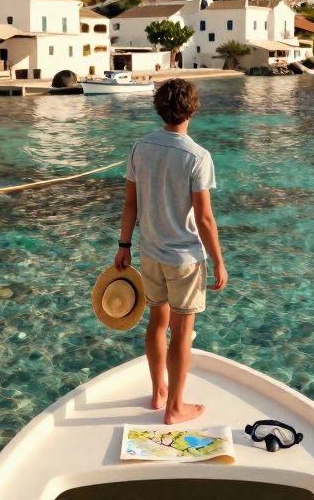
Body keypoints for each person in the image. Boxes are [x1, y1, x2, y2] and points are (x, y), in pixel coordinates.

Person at [115, 79, 227, 425]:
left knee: (155, 323)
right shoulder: (198, 157)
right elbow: (205, 218)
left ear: (159, 108)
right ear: (193, 108)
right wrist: (219, 262)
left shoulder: (140, 148)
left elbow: (130, 204)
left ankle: (158, 392)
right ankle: (175, 408)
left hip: (150, 253)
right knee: (180, 331)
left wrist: (123, 246)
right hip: (184, 259)